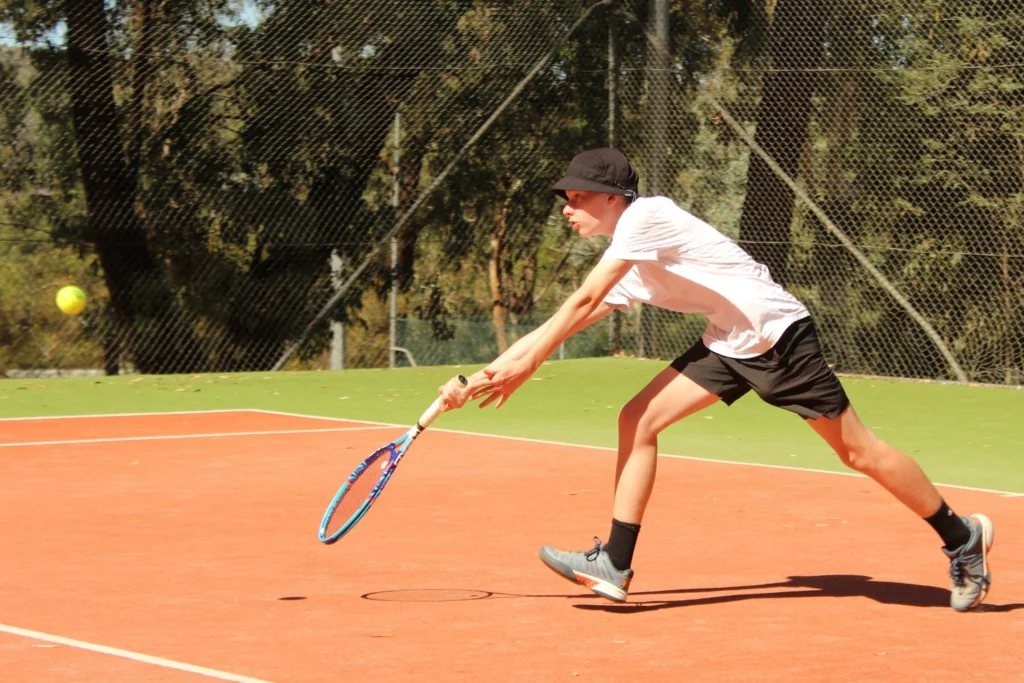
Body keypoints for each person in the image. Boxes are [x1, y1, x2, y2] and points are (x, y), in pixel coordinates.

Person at [438, 147, 994, 612]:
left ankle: (962, 536)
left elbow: (581, 297)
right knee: (637, 418)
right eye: (566, 198)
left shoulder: (645, 215)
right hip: (728, 342)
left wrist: (525, 367)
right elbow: (563, 320)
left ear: (612, 198)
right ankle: (616, 560)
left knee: (859, 452)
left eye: (578, 196)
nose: (568, 206)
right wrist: (477, 378)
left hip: (777, 338)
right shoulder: (630, 256)